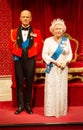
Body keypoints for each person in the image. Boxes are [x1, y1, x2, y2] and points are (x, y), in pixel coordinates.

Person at [9, 10, 43, 114]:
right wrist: (18, 54)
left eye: (27, 17)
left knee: (29, 83)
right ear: (20, 18)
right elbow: (11, 46)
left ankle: (28, 105)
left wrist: (31, 54)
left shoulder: (37, 32)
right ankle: (20, 106)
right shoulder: (13, 32)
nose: (25, 19)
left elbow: (39, 46)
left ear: (31, 19)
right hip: (18, 59)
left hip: (30, 60)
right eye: (23, 17)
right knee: (19, 83)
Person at [42, 18, 72, 118]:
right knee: (51, 88)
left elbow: (70, 54)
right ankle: (50, 111)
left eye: (60, 29)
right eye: (56, 29)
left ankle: (61, 110)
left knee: (61, 88)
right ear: (52, 30)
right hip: (52, 67)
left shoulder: (66, 41)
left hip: (63, 68)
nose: (58, 30)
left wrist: (65, 62)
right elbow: (44, 55)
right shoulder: (47, 40)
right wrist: (55, 62)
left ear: (63, 30)